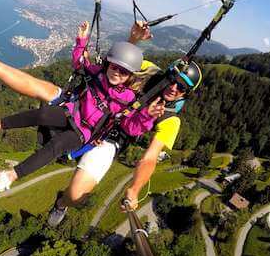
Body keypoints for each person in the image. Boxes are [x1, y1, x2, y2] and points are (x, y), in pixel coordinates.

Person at [0, 20, 164, 196]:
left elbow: (131, 126)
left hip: (84, 132)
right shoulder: (99, 74)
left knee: (56, 146)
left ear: (130, 76)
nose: (117, 73)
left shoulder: (127, 98)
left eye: (123, 72)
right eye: (114, 67)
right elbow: (79, 64)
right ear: (108, 64)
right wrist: (81, 42)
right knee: (42, 113)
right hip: (72, 112)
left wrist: (146, 116)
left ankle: (8, 178)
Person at [47, 23, 203, 226]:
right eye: (172, 79)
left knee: (77, 195)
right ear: (167, 74)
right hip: (98, 107)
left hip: (112, 137)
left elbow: (150, 159)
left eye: (181, 87)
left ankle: (62, 203)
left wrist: (134, 190)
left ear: (186, 94)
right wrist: (133, 39)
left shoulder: (170, 119)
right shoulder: (149, 71)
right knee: (45, 91)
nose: (173, 87)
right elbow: (119, 64)